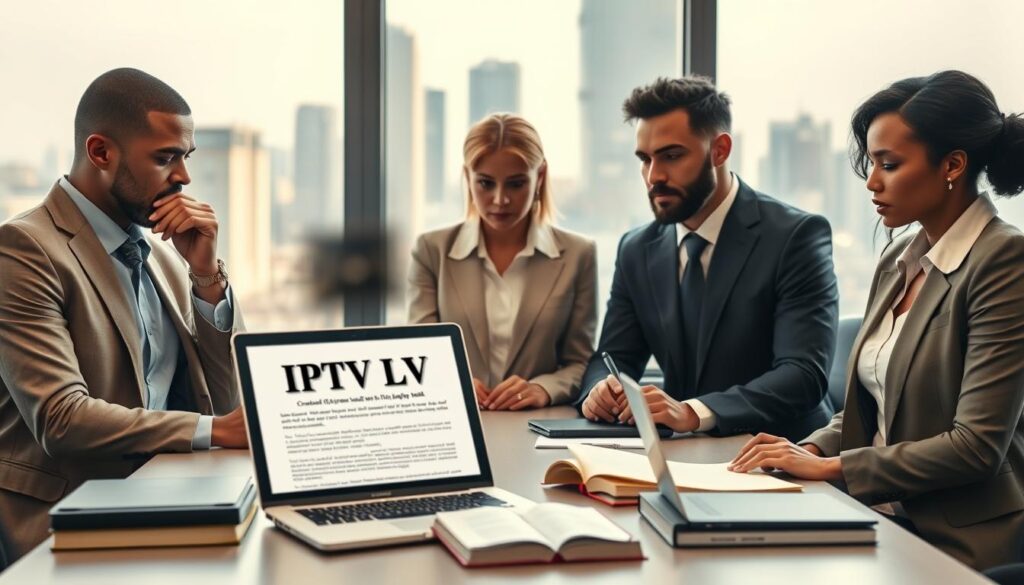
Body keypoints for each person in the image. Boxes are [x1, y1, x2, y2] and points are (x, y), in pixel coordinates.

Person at [729, 70, 1024, 570]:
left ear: (953, 165)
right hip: (875, 516)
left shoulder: (1004, 260)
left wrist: (833, 467)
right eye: (871, 163)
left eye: (889, 164)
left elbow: (976, 447)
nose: (871, 181)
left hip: (958, 543)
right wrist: (800, 450)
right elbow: (875, 411)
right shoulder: (899, 259)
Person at [0, 68, 249, 562]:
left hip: (166, 505)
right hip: (61, 524)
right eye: (165, 158)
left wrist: (206, 276)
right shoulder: (24, 250)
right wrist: (216, 431)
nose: (184, 177)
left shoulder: (163, 257)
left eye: (185, 156)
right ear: (100, 153)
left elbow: (225, 399)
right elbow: (61, 419)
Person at [577, 76, 839, 441]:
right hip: (680, 455)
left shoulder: (795, 236)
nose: (654, 176)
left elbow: (802, 375)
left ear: (720, 150)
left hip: (782, 457)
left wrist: (692, 412)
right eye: (645, 159)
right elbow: (613, 356)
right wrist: (599, 392)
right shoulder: (636, 249)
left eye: (671, 156)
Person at [408, 113, 597, 410]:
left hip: (537, 423)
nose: (500, 200)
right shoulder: (431, 251)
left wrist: (542, 389)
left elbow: (580, 361)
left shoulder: (579, 254)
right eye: (485, 183)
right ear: (467, 178)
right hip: (455, 417)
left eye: (515, 184)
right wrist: (453, 383)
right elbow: (421, 353)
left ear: (541, 177)